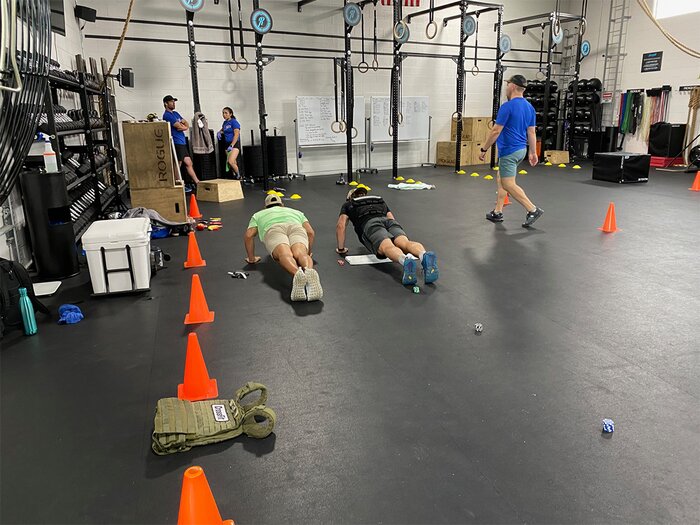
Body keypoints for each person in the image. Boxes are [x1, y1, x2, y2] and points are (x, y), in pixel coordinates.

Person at [335, 186, 438, 286]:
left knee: (387, 247)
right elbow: (391, 218)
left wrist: (341, 249)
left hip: (371, 224)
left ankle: (405, 261)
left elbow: (341, 226)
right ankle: (423, 254)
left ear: (350, 197)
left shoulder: (349, 204)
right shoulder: (378, 200)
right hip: (389, 222)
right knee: (404, 243)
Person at [478, 74, 543, 228]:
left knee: (508, 184)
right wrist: (533, 153)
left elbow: (495, 131)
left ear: (513, 86)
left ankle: (532, 209)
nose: (506, 87)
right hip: (521, 150)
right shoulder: (530, 107)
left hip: (509, 151)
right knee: (502, 179)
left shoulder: (507, 107)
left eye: (507, 84)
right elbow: (532, 132)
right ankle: (497, 212)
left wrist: (484, 149)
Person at [244, 194, 322, 302]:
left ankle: (297, 274)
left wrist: (251, 258)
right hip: (295, 227)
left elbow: (249, 235)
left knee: (284, 254)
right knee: (300, 253)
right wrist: (308, 253)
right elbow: (310, 232)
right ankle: (308, 271)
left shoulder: (258, 215)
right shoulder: (296, 212)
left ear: (265, 207)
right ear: (282, 205)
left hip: (274, 229)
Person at [162, 95, 200, 184]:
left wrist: (184, 126)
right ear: (166, 104)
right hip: (176, 142)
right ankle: (178, 182)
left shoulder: (175, 114)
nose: (173, 103)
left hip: (182, 142)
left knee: (188, 162)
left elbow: (185, 122)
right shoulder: (167, 115)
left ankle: (197, 182)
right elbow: (179, 126)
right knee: (178, 163)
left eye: (174, 101)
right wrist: (182, 126)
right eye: (171, 102)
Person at [218, 107, 241, 179]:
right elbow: (223, 130)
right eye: (223, 113)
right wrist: (219, 132)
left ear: (230, 114)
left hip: (234, 144)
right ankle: (235, 177)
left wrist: (232, 145)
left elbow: (236, 134)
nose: (224, 115)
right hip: (226, 144)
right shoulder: (225, 123)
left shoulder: (234, 122)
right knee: (233, 162)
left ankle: (239, 175)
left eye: (226, 113)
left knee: (230, 161)